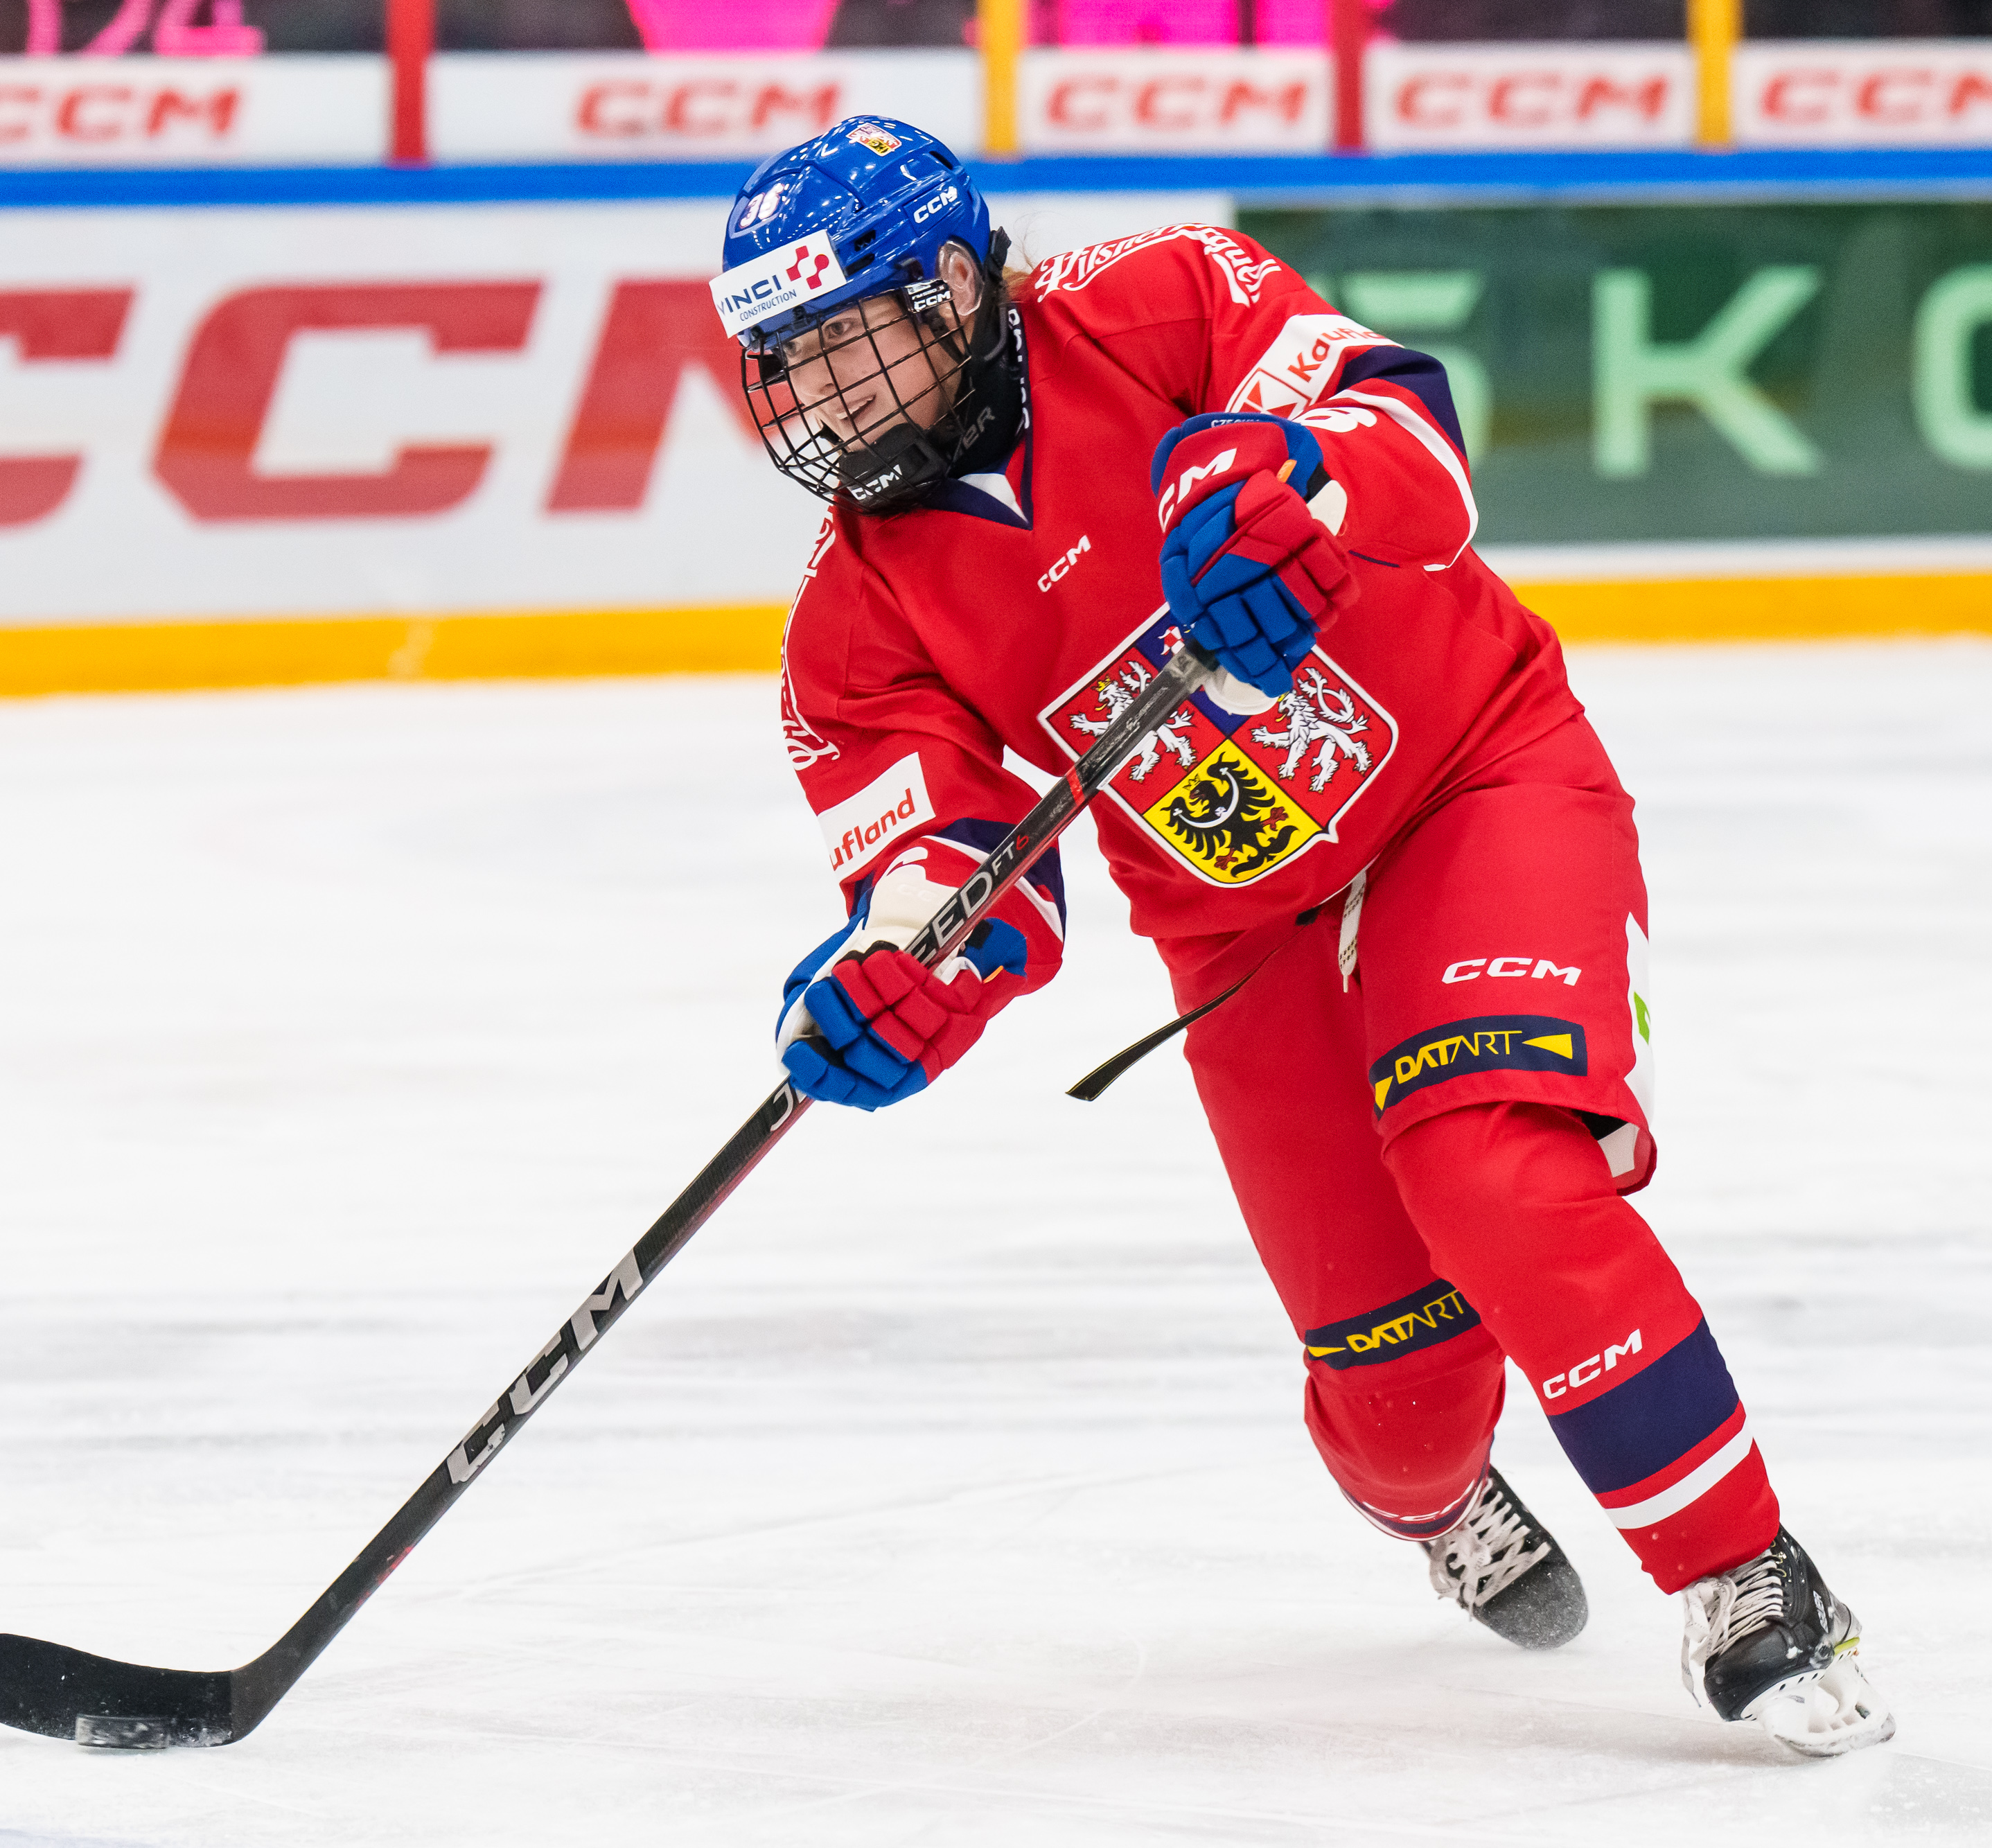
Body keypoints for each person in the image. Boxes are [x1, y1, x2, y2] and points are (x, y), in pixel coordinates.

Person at [709, 115, 1894, 1756]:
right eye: (785, 364)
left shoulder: (1159, 297)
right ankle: (1430, 1498)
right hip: (1238, 938)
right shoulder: (855, 619)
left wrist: (1295, 483)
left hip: (1469, 782)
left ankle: (1745, 1574)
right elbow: (949, 867)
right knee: (1401, 1415)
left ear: (958, 284)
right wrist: (900, 974)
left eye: (845, 343)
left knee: (1486, 1157)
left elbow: (1406, 432)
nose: (817, 400)